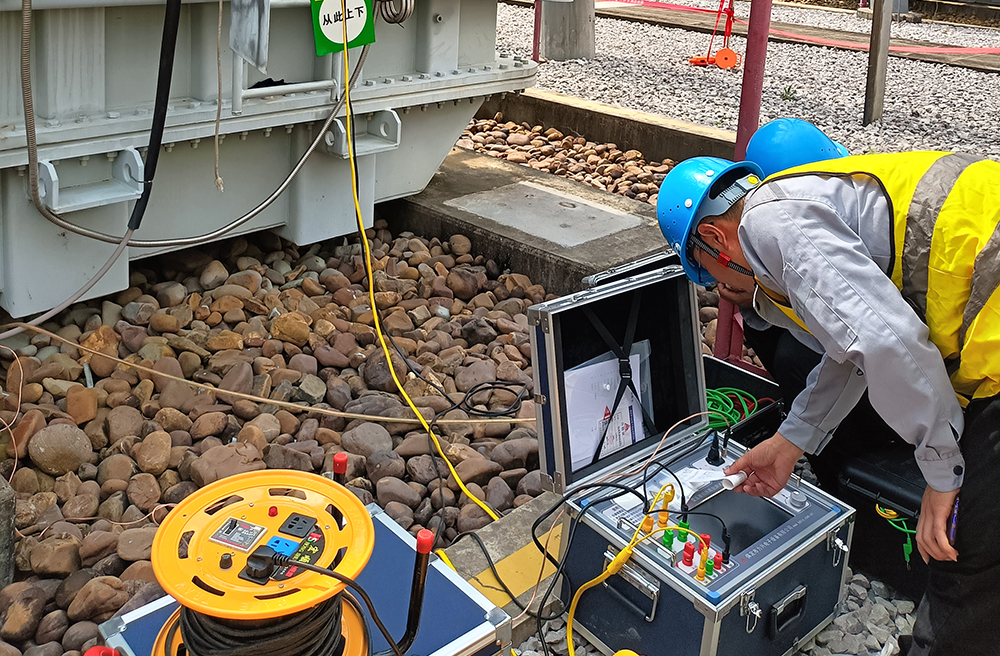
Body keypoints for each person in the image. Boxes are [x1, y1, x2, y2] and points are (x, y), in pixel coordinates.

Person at [657, 152, 1000, 656]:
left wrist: (942, 471)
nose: (720, 289)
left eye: (707, 275)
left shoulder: (769, 227)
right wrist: (790, 441)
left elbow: (883, 343)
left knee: (967, 551)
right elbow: (851, 349)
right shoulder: (790, 203)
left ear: (713, 239)